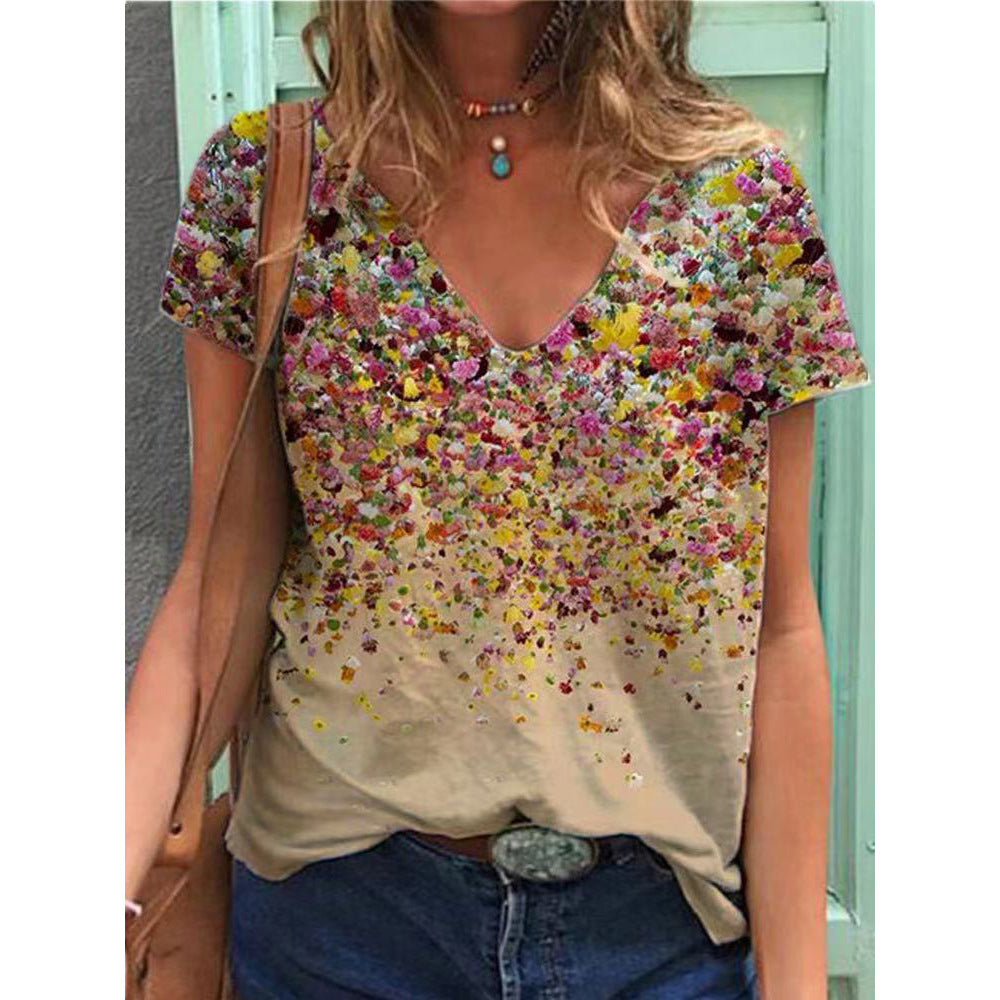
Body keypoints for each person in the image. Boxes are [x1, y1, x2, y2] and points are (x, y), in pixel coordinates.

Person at [126, 1, 872, 997]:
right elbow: (215, 575)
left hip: (657, 939)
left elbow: (781, 626)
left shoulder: (742, 201)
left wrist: (798, 981)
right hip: (339, 927)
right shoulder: (265, 187)